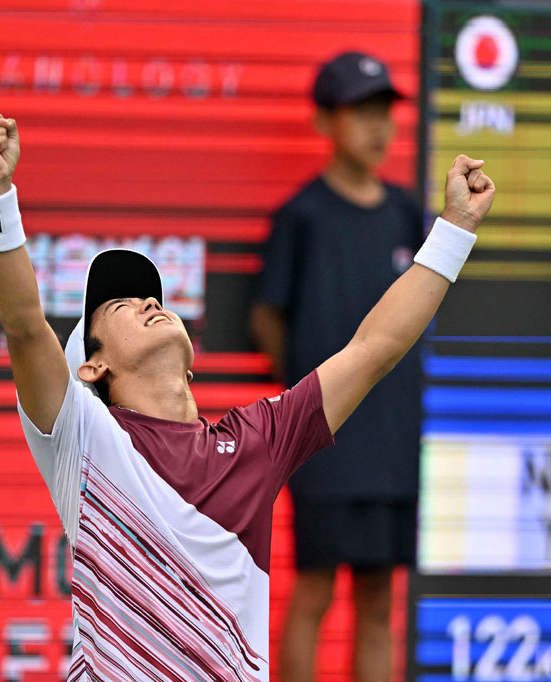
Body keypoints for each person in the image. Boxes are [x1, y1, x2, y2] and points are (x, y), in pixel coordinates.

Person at [0, 112, 493, 681]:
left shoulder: (257, 443)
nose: (150, 304)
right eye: (122, 307)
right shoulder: (85, 441)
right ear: (93, 367)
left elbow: (376, 347)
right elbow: (24, 324)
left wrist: (455, 228)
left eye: (154, 300)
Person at [248, 51, 421, 682]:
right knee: (314, 591)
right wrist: (308, 405)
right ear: (324, 122)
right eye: (360, 112)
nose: (377, 127)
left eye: (385, 112)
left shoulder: (408, 213)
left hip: (396, 445)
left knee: (380, 600)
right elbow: (269, 320)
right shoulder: (303, 217)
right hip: (325, 442)